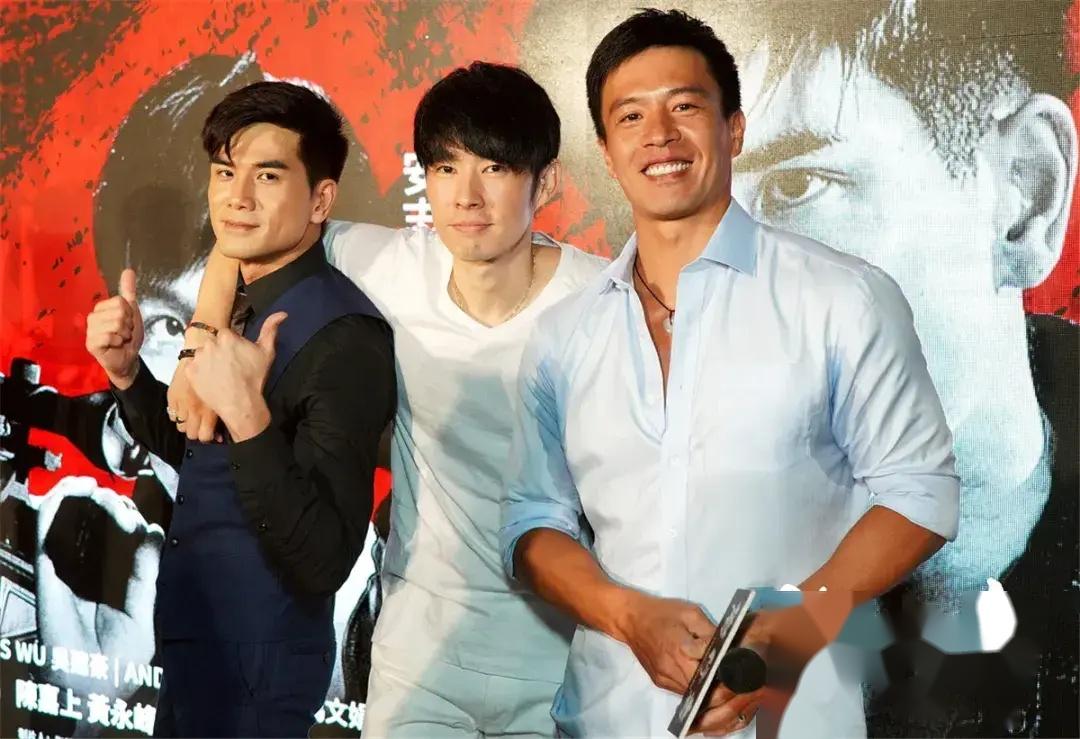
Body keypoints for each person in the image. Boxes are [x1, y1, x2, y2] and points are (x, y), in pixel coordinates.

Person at [522, 2, 1079, 735]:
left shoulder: (842, 298)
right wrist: (628, 616)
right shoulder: (572, 336)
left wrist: (794, 629)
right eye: (631, 120)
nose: (734, 245)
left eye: (798, 186)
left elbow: (920, 495)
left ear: (1025, 196)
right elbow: (533, 522)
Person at [170, 61, 607, 737]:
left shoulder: (604, 301)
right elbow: (247, 230)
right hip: (417, 657)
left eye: (493, 168)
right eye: (445, 168)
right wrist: (198, 340)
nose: (466, 196)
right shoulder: (388, 264)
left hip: (558, 656)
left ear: (544, 182)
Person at [84, 80, 395, 737]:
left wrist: (249, 417)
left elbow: (324, 558)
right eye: (225, 173)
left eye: (268, 175)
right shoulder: (238, 305)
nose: (238, 196)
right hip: (196, 649)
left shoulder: (345, 337)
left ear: (321, 200)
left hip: (259, 674)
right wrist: (127, 373)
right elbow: (200, 453)